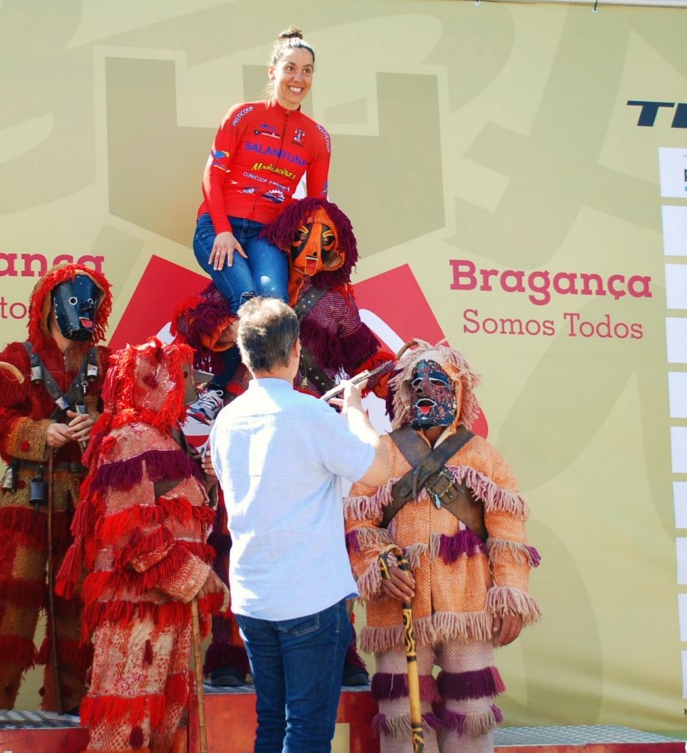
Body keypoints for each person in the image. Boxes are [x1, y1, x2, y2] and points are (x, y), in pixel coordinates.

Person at [207, 296, 391, 753]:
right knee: (307, 733)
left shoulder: (227, 419)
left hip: (253, 597)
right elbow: (378, 470)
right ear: (295, 352)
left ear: (245, 357)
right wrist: (354, 414)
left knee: (272, 725)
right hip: (309, 597)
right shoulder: (313, 415)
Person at [345, 342, 541, 753]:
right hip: (397, 607)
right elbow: (357, 520)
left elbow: (508, 531)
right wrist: (381, 566)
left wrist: (511, 595)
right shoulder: (381, 451)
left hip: (468, 606)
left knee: (472, 718)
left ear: (460, 391)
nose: (426, 390)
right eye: (417, 382)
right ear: (404, 392)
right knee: (401, 719)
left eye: (438, 382)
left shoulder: (484, 456)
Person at [0, 262, 113, 726]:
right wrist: (43, 432)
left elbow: (127, 416)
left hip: (85, 500)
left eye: (93, 303)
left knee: (79, 598)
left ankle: (74, 698)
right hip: (27, 495)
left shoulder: (108, 362)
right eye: (74, 301)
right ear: (47, 305)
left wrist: (98, 427)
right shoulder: (14, 360)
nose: (84, 311)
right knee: (13, 595)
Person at [55, 337, 226, 753]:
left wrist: (204, 482)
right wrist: (198, 577)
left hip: (167, 608)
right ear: (156, 379)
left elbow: (173, 511)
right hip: (137, 611)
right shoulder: (130, 439)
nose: (192, 387)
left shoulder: (164, 438)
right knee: (126, 724)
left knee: (162, 724)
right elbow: (133, 537)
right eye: (183, 376)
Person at [187, 26, 332, 425]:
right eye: (290, 68)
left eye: (307, 70)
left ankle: (244, 396)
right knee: (249, 303)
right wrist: (221, 229)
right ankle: (218, 393)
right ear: (273, 71)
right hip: (220, 230)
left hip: (268, 237)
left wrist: (318, 245)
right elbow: (212, 176)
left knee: (275, 310)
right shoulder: (243, 115)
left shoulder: (317, 137)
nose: (298, 78)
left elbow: (316, 207)